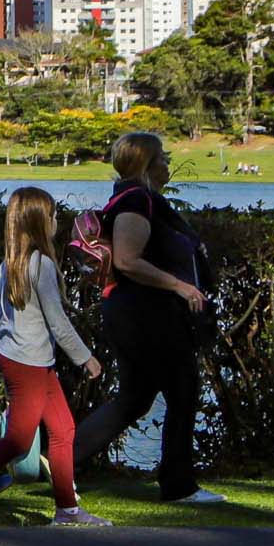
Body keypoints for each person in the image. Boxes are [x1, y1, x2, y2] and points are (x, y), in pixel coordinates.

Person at [0, 188, 111, 528]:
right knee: (19, 439)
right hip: (30, 363)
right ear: (41, 223)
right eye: (54, 216)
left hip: (27, 359)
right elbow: (57, 320)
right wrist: (86, 357)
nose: (58, 221)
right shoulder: (39, 265)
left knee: (63, 429)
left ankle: (67, 510)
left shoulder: (10, 264)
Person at [68, 131, 225, 506]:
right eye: (164, 160)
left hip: (139, 313)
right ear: (147, 165)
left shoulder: (136, 198)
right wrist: (179, 286)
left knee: (135, 398)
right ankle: (179, 484)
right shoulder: (137, 201)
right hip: (146, 314)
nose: (169, 165)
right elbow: (126, 259)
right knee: (183, 390)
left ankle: (61, 459)